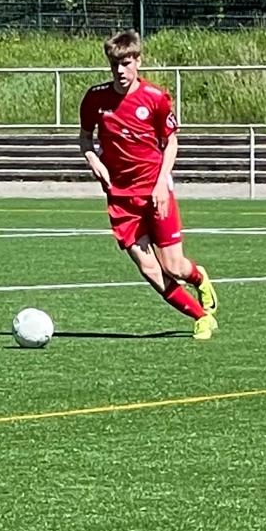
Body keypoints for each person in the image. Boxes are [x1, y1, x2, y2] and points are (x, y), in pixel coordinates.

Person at [79, 30, 219, 340]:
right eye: (115, 64)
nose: (120, 70)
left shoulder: (155, 98)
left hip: (155, 190)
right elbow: (85, 138)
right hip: (120, 198)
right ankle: (201, 318)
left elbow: (171, 143)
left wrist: (160, 185)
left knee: (174, 267)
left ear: (138, 61)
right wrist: (94, 161)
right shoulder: (95, 99)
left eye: (126, 63)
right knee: (149, 269)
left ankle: (198, 277)